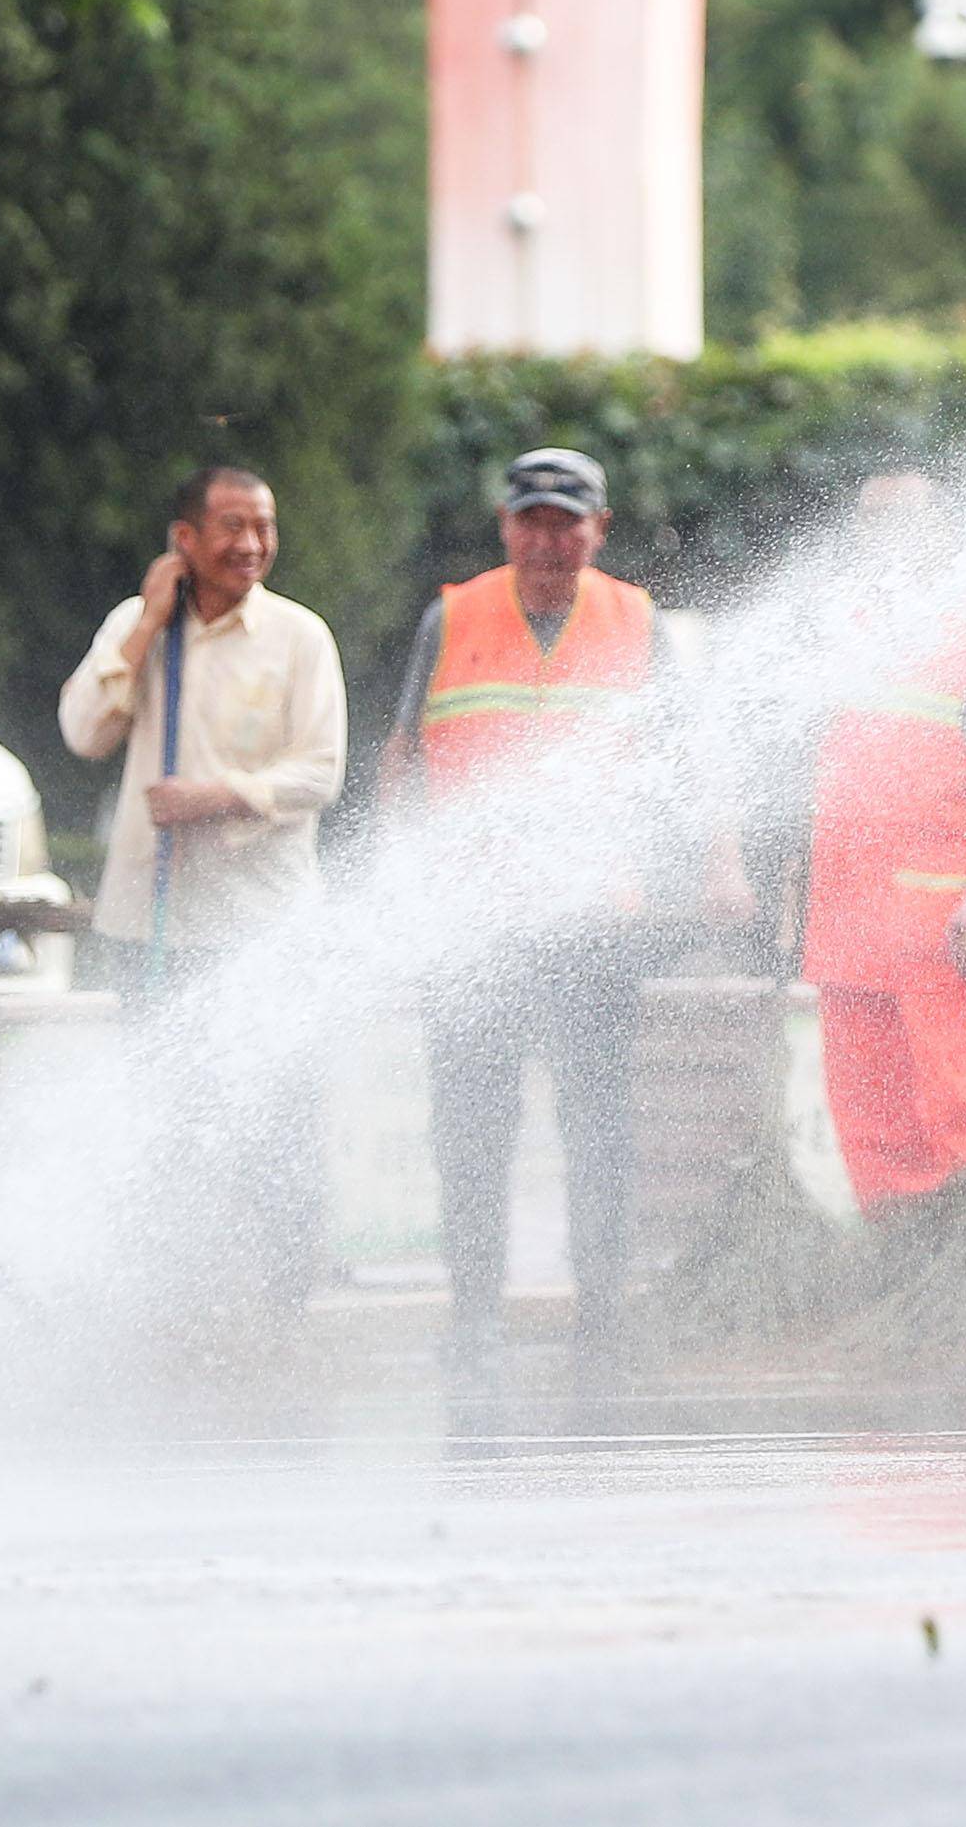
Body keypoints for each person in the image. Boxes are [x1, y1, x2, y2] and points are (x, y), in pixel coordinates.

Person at [383, 445, 693, 1372]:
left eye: (568, 522)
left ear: (598, 529)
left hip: (595, 924)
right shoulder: (452, 616)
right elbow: (405, 756)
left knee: (598, 1126)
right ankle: (474, 1313)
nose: (549, 540)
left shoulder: (638, 622)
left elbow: (687, 763)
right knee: (471, 1127)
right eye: (533, 520)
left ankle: (601, 1313)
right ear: (505, 525)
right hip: (472, 927)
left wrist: (706, 870)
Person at [58, 463, 351, 1308]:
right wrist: (150, 620)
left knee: (278, 1117)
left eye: (262, 525)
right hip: (154, 926)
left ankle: (285, 1300)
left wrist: (218, 797)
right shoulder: (140, 627)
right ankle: (170, 1295)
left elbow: (320, 772)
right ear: (183, 539)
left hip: (266, 927)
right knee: (163, 1120)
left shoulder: (300, 635)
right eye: (230, 526)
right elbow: (83, 731)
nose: (250, 544)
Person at [798, 473, 966, 1241]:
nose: (885, 536)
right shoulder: (843, 631)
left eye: (902, 521)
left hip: (947, 930)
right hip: (853, 929)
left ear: (941, 534)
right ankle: (900, 1270)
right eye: (871, 522)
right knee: (871, 1119)